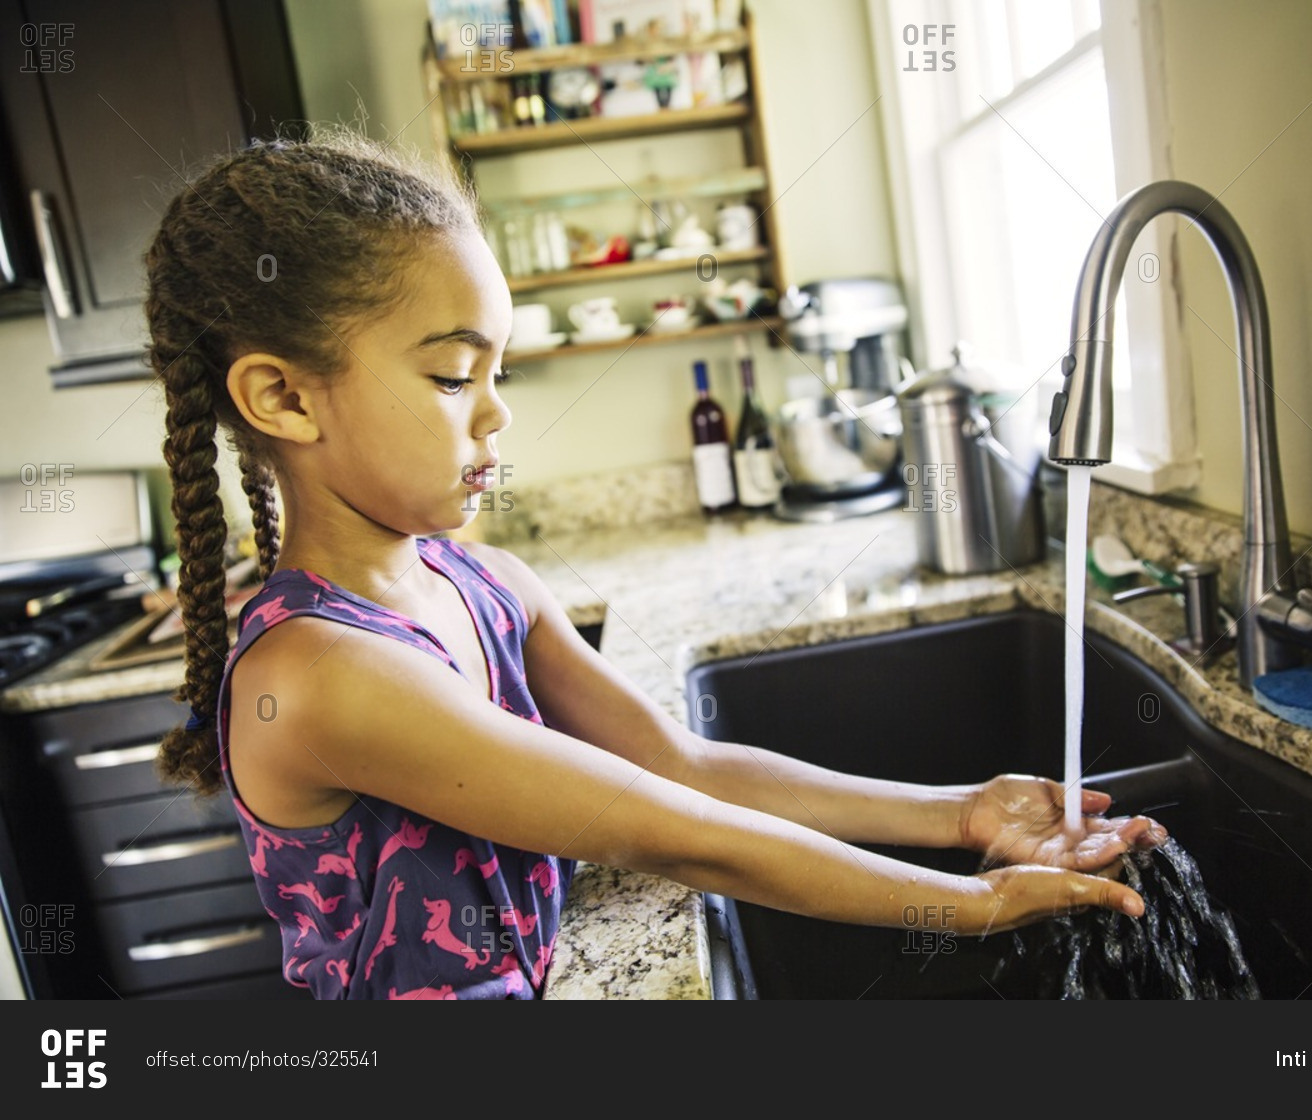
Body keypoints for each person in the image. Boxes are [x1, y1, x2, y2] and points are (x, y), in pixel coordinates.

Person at [148, 129, 1166, 1000]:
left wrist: (959, 813)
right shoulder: (319, 675)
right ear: (282, 397)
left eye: (499, 372)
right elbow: (675, 831)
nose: (497, 412)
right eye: (455, 375)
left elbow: (681, 766)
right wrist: (976, 904)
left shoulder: (484, 580)